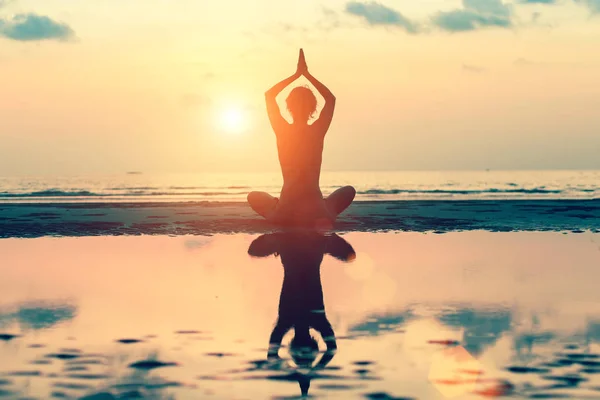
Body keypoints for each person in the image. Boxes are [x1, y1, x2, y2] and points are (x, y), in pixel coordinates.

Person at [247, 49, 356, 227]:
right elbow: (330, 99)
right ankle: (327, 210)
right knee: (348, 191)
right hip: (316, 211)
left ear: (288, 107)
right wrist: (307, 75)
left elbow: (269, 95)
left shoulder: (282, 130)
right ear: (313, 109)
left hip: (285, 211)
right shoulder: (317, 130)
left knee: (253, 197)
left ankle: (276, 210)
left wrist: (296, 75)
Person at [248, 231, 356, 396]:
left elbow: (332, 348)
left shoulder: (295, 321)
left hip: (293, 286)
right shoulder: (302, 321)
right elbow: (272, 355)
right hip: (308, 280)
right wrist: (299, 372)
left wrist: (311, 371)